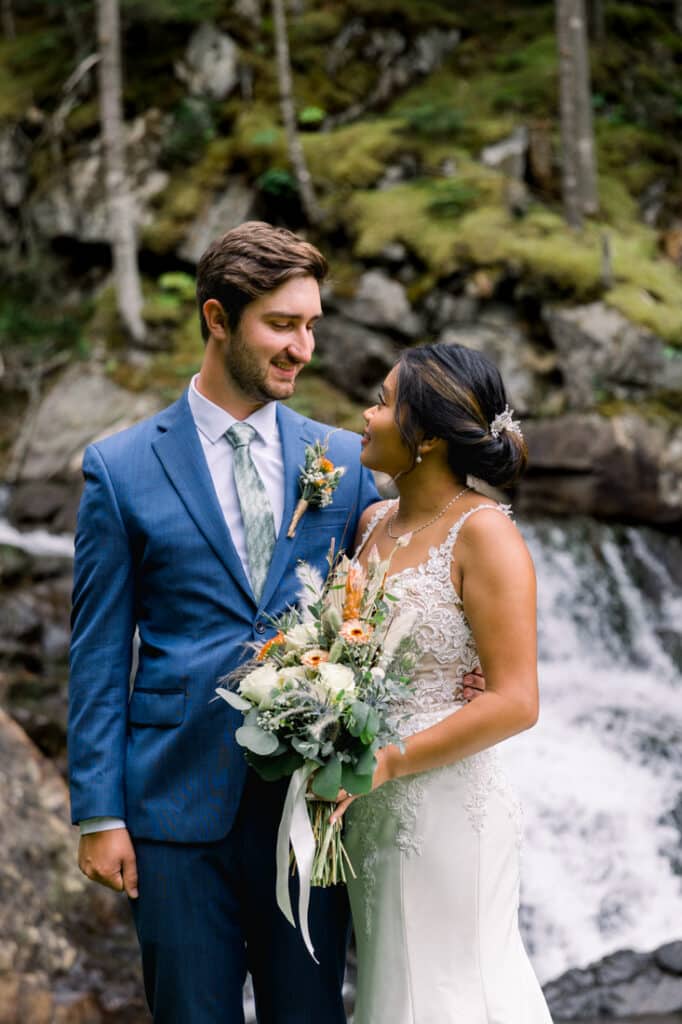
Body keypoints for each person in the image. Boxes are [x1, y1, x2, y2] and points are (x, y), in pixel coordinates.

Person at [67, 221, 381, 1024]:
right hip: (171, 812)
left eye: (311, 325)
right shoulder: (120, 465)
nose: (302, 348)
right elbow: (98, 652)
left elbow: (401, 590)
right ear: (216, 317)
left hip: (306, 812)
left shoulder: (343, 463)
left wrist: (466, 669)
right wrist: (99, 814)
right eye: (281, 324)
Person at [331, 343, 554, 1023]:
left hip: (445, 808)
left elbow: (517, 701)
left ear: (426, 437)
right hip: (368, 813)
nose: (365, 416)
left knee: (451, 992)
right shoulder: (370, 524)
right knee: (393, 991)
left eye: (382, 401)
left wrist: (391, 761)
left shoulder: (484, 535)